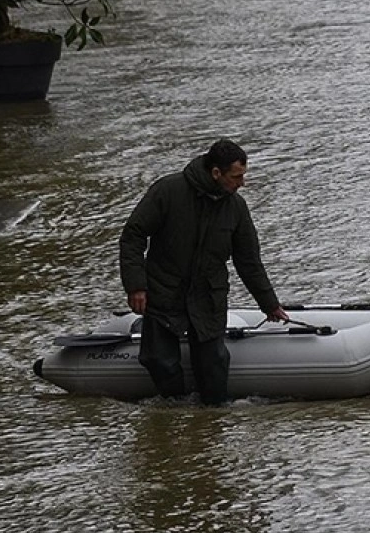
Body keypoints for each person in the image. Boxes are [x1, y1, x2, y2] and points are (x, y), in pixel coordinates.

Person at [119, 139, 289, 405]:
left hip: (208, 295)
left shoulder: (236, 208)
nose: (241, 183)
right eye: (237, 177)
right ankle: (173, 413)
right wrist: (136, 286)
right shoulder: (168, 191)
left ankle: (209, 427)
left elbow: (249, 261)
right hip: (164, 292)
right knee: (159, 361)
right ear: (216, 173)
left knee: (214, 365)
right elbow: (133, 236)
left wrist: (269, 304)